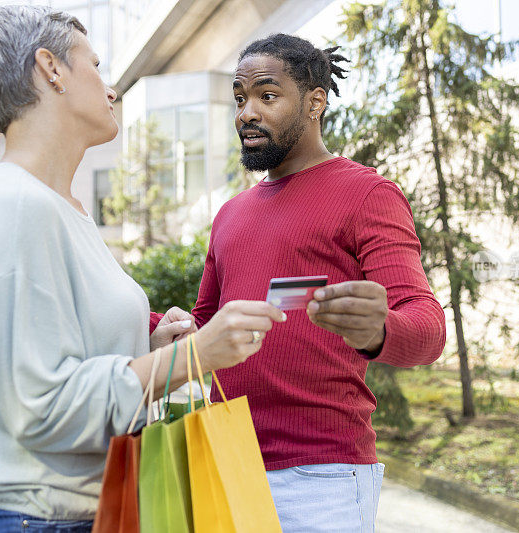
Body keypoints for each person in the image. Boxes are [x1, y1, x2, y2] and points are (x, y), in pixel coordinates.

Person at [0, 6, 285, 532]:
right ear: (51, 69)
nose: (110, 90)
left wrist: (154, 347)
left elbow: (67, 358)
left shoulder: (61, 209)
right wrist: (192, 356)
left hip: (90, 508)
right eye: (96, 65)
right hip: (41, 519)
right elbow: (43, 409)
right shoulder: (14, 208)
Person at [191, 34, 447, 532]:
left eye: (267, 96)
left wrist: (379, 330)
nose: (246, 113)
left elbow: (427, 327)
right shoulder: (230, 215)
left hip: (320, 478)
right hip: (226, 463)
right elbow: (203, 327)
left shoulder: (367, 194)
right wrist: (139, 316)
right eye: (240, 99)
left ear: (314, 102)